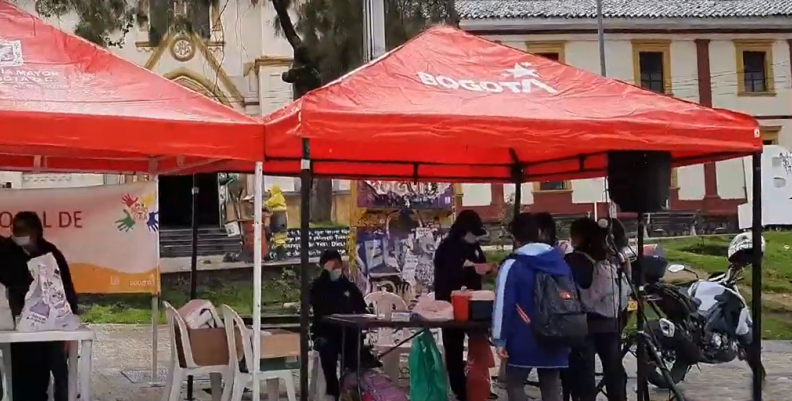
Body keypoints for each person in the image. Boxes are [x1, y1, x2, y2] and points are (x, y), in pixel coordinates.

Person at [492, 212, 572, 401]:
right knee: (551, 384)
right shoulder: (560, 262)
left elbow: (503, 304)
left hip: (523, 335)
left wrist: (499, 339)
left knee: (516, 383)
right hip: (557, 333)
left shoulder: (512, 265)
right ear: (538, 232)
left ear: (515, 237)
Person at [1, 211, 78, 401]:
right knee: (21, 378)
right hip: (16, 327)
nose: (20, 235)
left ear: (38, 232)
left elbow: (67, 291)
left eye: (25, 231)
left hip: (49, 328)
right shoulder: (4, 251)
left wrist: (67, 322)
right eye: (16, 230)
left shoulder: (51, 254)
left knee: (56, 371)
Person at [433, 209, 495, 401]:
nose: (473, 237)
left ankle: (480, 384)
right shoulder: (447, 247)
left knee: (479, 344)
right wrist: (468, 267)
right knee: (454, 347)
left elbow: (480, 264)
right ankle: (460, 389)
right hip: (450, 303)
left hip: (475, 303)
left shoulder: (474, 245)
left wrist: (486, 269)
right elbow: (447, 272)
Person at [564, 218, 626, 401]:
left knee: (584, 374)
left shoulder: (574, 260)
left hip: (584, 324)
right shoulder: (613, 257)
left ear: (578, 236)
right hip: (610, 321)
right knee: (614, 369)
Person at [309, 249, 366, 401]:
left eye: (337, 266)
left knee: (357, 349)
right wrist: (326, 276)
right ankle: (332, 390)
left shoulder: (348, 286)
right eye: (331, 267)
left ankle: (351, 388)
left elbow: (362, 308)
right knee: (327, 349)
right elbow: (316, 303)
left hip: (347, 332)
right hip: (325, 333)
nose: (335, 270)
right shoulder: (318, 286)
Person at [264, 185, 289, 260]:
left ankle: (281, 255)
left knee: (279, 238)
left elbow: (267, 203)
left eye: (270, 192)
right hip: (281, 218)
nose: (269, 194)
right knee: (280, 238)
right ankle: (282, 256)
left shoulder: (276, 197)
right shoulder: (280, 197)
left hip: (278, 218)